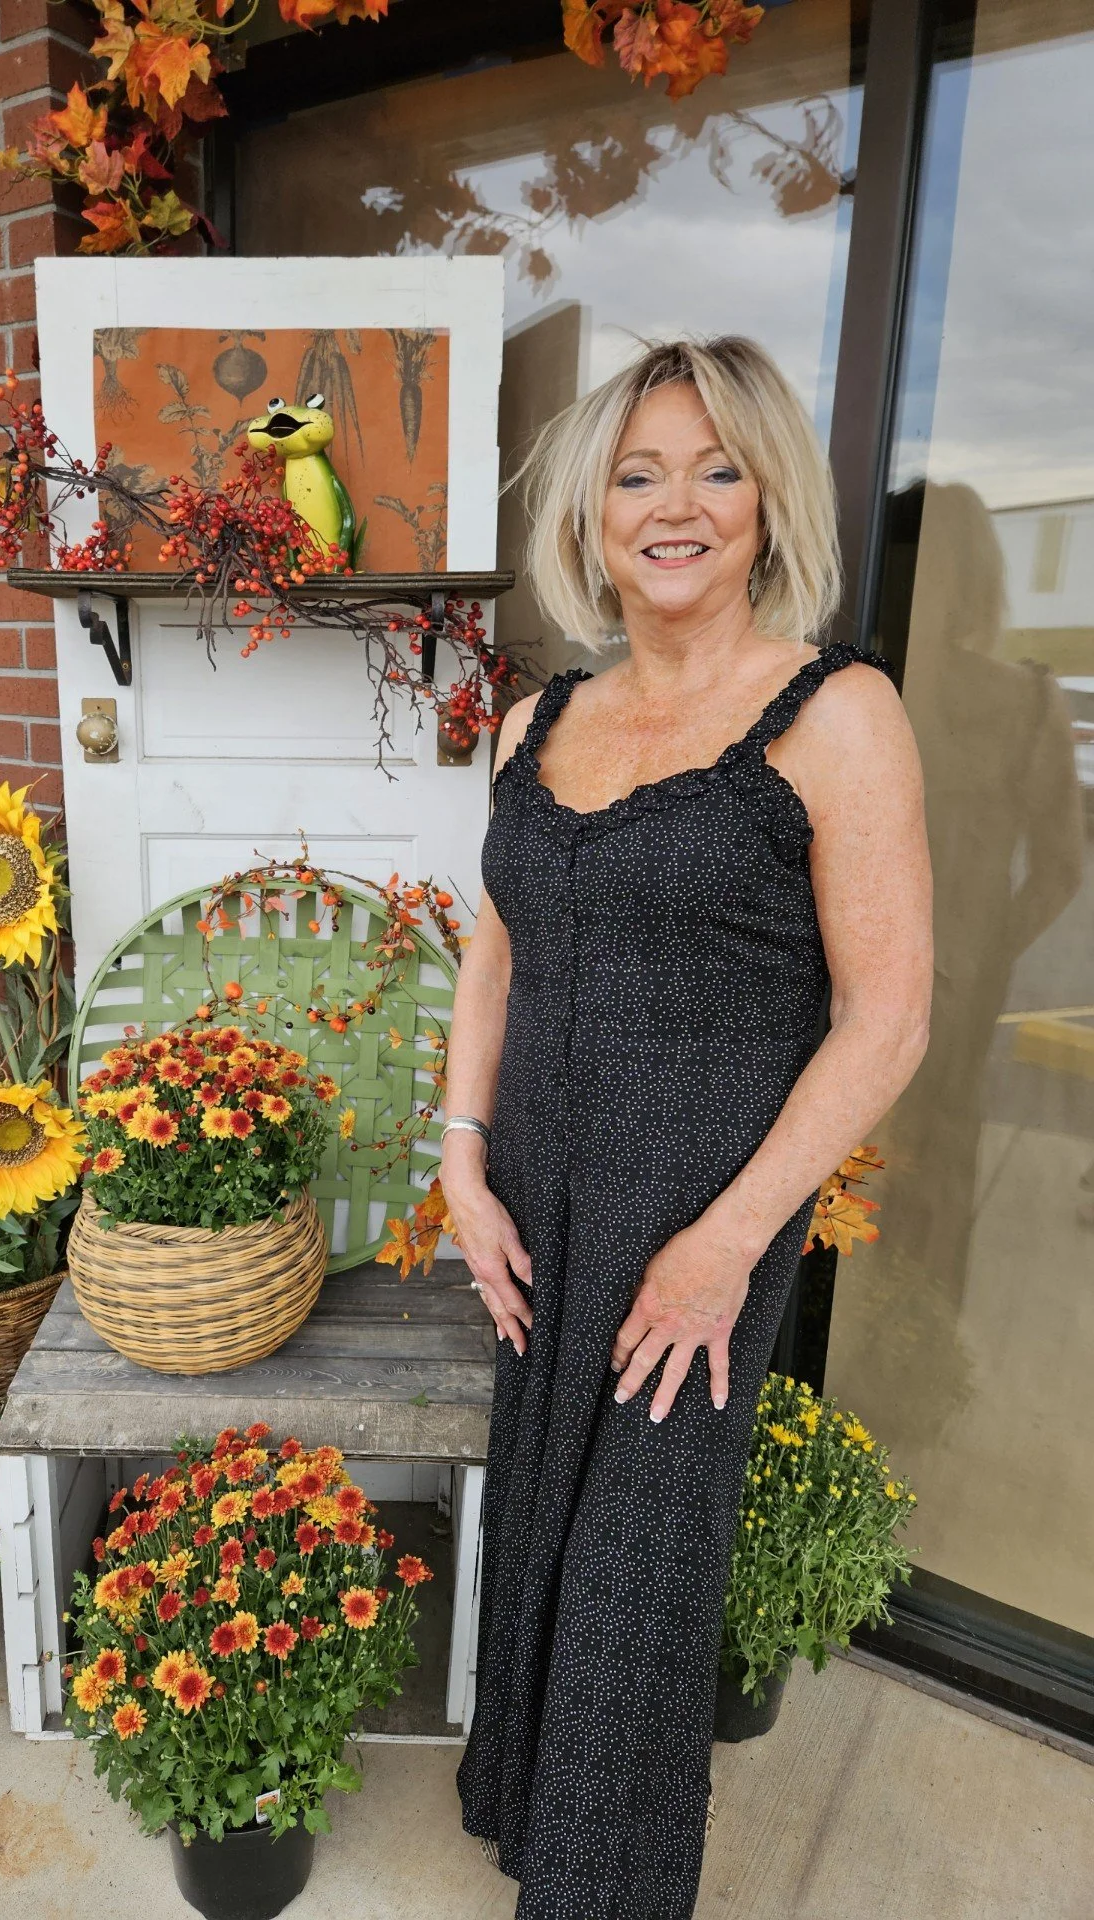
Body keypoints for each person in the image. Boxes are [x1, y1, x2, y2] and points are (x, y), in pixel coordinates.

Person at [443, 335, 933, 1918]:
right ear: (589, 516)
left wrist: (728, 1246)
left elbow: (888, 1018)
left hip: (701, 1232)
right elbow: (495, 958)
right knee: (541, 1528)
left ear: (768, 500)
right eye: (637, 474)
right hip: (538, 1209)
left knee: (634, 1588)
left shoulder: (835, 715)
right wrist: (459, 1159)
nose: (676, 505)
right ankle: (530, 1828)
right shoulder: (533, 723)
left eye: (717, 469)